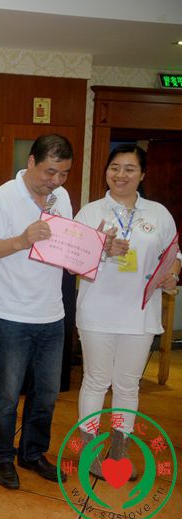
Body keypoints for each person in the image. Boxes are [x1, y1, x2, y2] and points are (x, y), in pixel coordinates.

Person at [0, 133, 74, 490]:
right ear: (31, 162)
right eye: (50, 172)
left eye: (63, 173)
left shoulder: (62, 197)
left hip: (52, 313)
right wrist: (21, 239)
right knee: (6, 395)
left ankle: (32, 453)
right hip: (11, 313)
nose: (56, 181)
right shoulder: (2, 197)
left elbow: (66, 247)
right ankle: (3, 457)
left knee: (46, 395)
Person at [74, 144, 180, 478]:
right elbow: (73, 262)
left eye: (130, 169)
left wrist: (172, 274)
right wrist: (101, 250)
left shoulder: (158, 214)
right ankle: (89, 454)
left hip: (140, 313)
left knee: (127, 386)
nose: (120, 175)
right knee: (95, 381)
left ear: (142, 174)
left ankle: (118, 454)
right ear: (106, 171)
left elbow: (174, 254)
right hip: (96, 311)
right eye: (115, 167)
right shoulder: (90, 212)